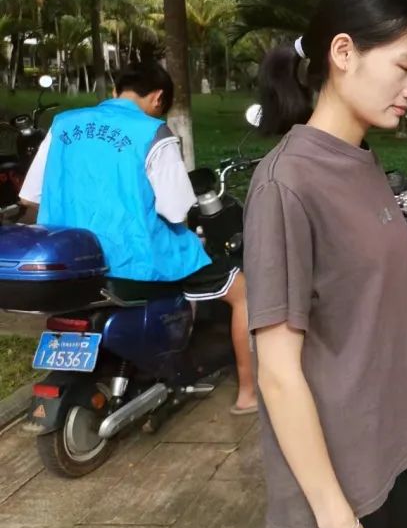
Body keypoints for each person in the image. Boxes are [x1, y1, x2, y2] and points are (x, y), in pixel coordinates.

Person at [243, 0, 407, 528]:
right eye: (404, 67)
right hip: (345, 486)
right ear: (343, 53)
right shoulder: (286, 185)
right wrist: (335, 525)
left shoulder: (361, 162)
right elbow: (277, 373)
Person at [18, 59, 256, 415]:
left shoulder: (63, 124)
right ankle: (248, 395)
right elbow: (176, 209)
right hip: (136, 262)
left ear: (116, 90)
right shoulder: (152, 132)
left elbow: (29, 197)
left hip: (74, 263)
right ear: (158, 98)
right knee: (242, 291)